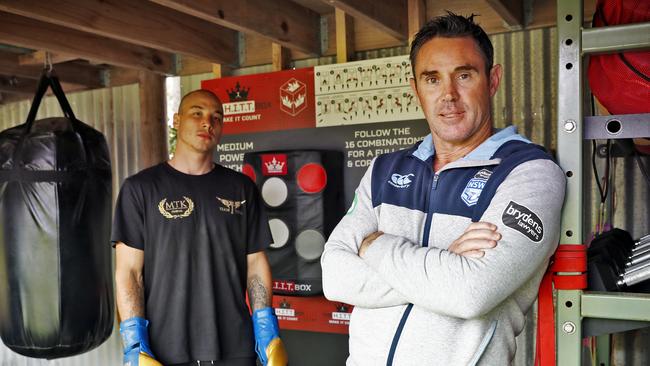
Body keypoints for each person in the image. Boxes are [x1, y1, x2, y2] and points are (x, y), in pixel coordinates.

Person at [321, 12, 566, 366]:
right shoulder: (384, 170)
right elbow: (335, 277)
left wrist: (376, 245)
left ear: (492, 80)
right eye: (432, 79)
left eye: (464, 75)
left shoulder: (530, 172)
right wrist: (445, 262)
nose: (448, 95)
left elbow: (470, 292)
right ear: (415, 88)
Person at [112, 89, 287, 366]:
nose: (208, 122)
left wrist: (266, 330)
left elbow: (255, 264)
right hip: (164, 351)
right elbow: (129, 272)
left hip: (235, 348)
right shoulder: (141, 189)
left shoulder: (241, 188)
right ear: (177, 120)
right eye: (197, 113)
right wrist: (134, 341)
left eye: (216, 117)